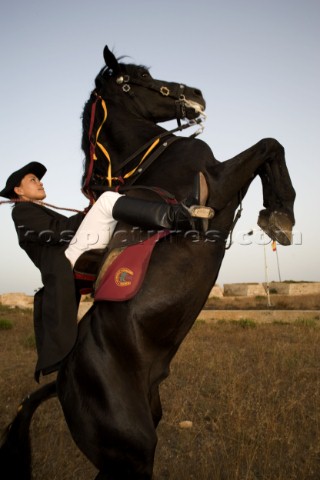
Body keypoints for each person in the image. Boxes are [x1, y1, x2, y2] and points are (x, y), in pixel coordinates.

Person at [0, 162, 213, 381]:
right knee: (107, 201)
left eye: (38, 179)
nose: (40, 182)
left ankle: (174, 224)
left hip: (74, 250)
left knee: (116, 209)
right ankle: (181, 215)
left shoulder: (37, 210)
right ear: (18, 191)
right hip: (67, 261)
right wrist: (90, 213)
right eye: (33, 180)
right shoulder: (22, 211)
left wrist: (88, 215)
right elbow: (57, 232)